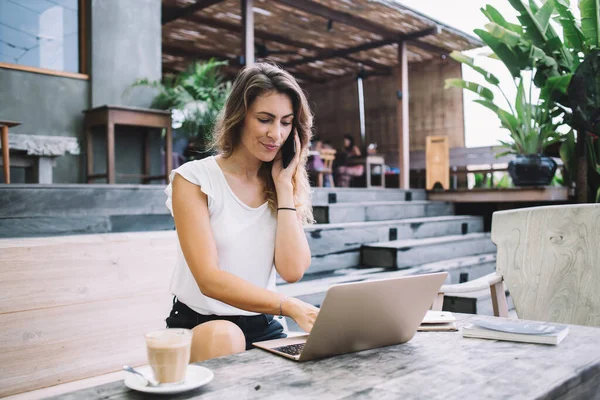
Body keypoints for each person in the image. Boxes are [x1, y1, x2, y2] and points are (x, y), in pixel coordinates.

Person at [163, 63, 319, 363]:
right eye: (265, 119)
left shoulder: (281, 183)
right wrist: (291, 306)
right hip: (202, 325)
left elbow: (293, 270)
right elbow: (209, 279)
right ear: (240, 117)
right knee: (226, 334)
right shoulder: (194, 179)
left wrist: (285, 186)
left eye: (286, 123)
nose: (277, 134)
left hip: (264, 326)